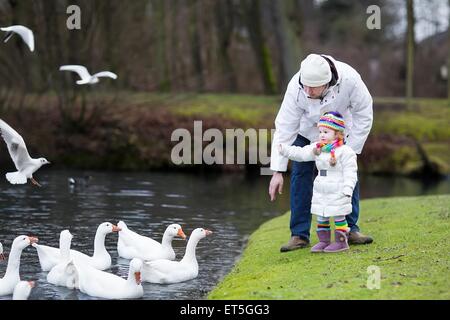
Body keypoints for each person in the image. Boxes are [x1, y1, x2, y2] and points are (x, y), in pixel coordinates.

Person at [269, 53, 373, 252]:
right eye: (305, 86)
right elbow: (284, 127)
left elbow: (364, 114)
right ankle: (299, 235)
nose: (308, 91)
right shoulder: (296, 87)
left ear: (327, 83)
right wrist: (277, 171)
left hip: (339, 132)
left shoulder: (350, 79)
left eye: (313, 87)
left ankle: (351, 230)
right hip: (305, 131)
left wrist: (349, 151)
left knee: (347, 175)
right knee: (301, 175)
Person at [278, 112, 357, 253]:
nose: (322, 135)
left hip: (337, 187)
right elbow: (301, 153)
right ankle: (324, 241)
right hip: (321, 187)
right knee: (322, 215)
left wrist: (348, 189)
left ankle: (341, 242)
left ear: (337, 133)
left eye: (326, 132)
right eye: (320, 131)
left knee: (339, 214)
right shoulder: (318, 149)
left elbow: (351, 173)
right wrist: (285, 150)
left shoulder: (345, 151)